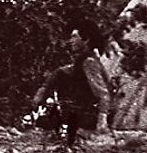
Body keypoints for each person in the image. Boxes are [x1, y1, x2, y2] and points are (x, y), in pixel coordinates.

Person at [32, 16, 113, 144]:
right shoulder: (83, 61)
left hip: (87, 116)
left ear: (86, 39)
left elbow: (102, 93)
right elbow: (62, 72)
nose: (71, 41)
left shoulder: (89, 62)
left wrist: (102, 120)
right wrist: (43, 89)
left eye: (74, 37)